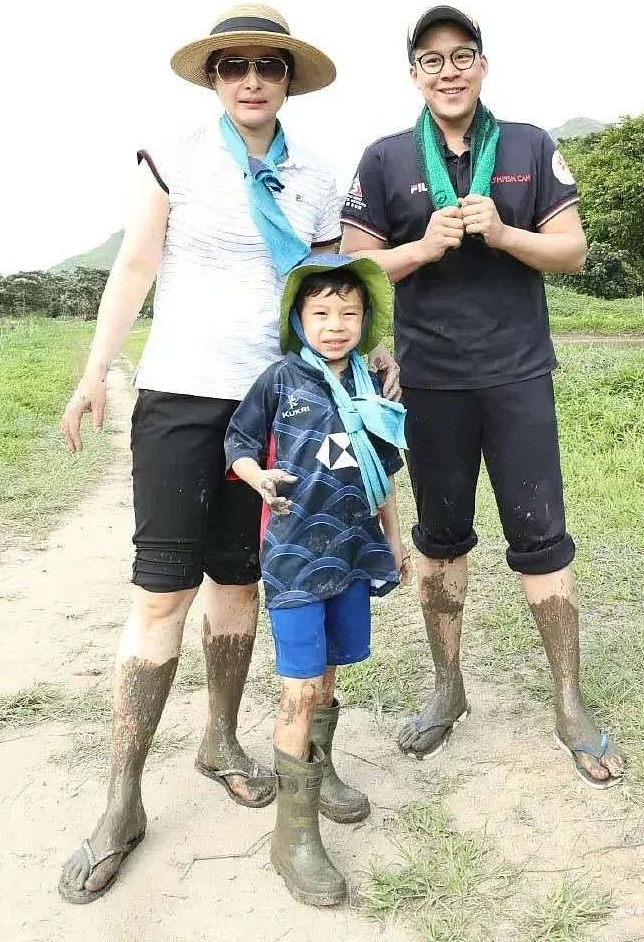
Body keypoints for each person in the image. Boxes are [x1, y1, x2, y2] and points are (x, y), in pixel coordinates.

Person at [56, 3, 400, 904]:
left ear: (289, 79)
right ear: (213, 78)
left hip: (284, 405)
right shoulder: (174, 155)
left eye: (269, 65)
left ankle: (221, 740)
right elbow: (135, 265)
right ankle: (122, 800)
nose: (252, 77)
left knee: (247, 584)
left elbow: (327, 294)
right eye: (233, 64)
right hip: (179, 395)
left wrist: (365, 364)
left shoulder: (319, 176)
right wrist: (99, 370)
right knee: (162, 594)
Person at [340, 5, 626, 788]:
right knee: (439, 541)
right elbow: (357, 272)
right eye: (431, 61)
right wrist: (423, 247)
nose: (448, 70)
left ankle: (569, 702)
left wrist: (502, 235)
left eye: (460, 55)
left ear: (482, 65)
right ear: (414, 77)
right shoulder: (384, 158)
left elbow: (571, 250)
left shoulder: (530, 146)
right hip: (430, 381)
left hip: (518, 375)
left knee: (543, 538)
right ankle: (447, 687)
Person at [225, 253, 411, 905]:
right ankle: (293, 837)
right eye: (322, 312)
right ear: (299, 319)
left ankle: (321, 770)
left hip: (352, 555)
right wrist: (257, 478)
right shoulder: (280, 380)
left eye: (349, 313)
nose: (336, 324)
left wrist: (392, 535)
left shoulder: (370, 386)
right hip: (297, 561)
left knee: (330, 672)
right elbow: (238, 442)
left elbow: (381, 468)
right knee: (299, 689)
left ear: (366, 321)